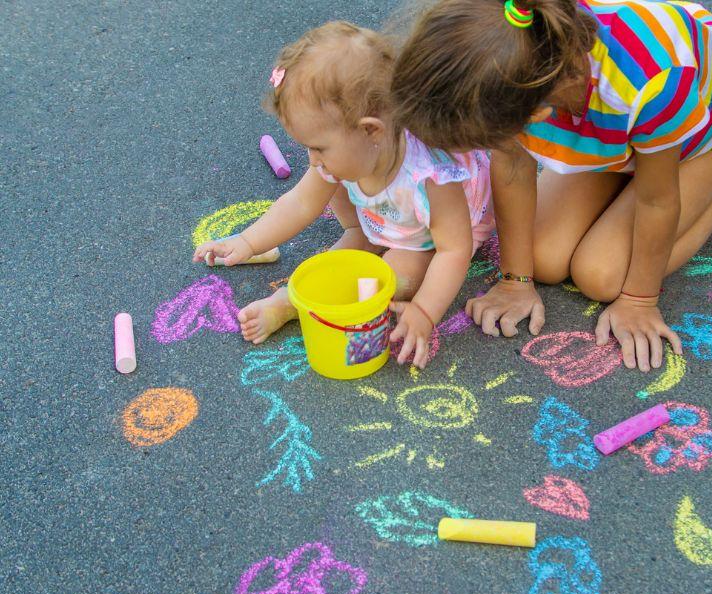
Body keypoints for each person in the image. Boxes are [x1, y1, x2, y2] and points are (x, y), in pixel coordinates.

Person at [390, 0, 712, 371]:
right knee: (543, 259)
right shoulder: (519, 63)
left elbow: (658, 200)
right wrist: (515, 280)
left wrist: (639, 300)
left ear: (534, 115)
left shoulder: (652, 84)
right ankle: (627, 162)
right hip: (611, 127)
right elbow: (512, 166)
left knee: (603, 277)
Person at [193, 21, 493, 368]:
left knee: (387, 277)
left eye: (318, 147)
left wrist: (424, 312)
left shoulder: (432, 177)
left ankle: (292, 304)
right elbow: (300, 203)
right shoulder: (345, 156)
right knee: (331, 207)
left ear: (371, 131)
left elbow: (453, 250)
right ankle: (342, 251)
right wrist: (246, 242)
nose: (312, 159)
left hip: (430, 238)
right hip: (385, 219)